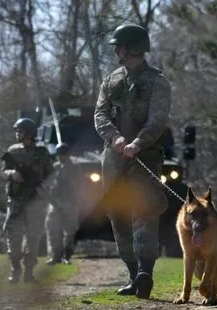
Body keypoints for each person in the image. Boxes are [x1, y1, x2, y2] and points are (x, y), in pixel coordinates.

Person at [94, 23, 171, 299]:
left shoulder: (157, 81)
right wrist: (115, 139)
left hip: (145, 157)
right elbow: (100, 115)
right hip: (113, 158)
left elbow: (158, 119)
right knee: (117, 212)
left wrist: (138, 143)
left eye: (119, 45)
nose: (115, 50)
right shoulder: (111, 80)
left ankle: (145, 273)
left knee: (144, 210)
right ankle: (132, 274)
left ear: (129, 48)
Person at [0, 118, 53, 284]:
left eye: (20, 131)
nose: (17, 134)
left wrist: (43, 186)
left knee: (33, 238)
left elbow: (50, 175)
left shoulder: (42, 153)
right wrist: (12, 175)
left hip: (35, 202)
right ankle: (15, 269)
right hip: (15, 201)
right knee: (13, 237)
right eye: (17, 131)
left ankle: (29, 272)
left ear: (29, 134)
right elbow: (2, 172)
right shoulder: (12, 151)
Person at [45, 143, 82, 265]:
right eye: (59, 155)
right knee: (52, 229)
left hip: (69, 203)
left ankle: (67, 256)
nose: (61, 157)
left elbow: (76, 186)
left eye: (63, 154)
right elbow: (49, 184)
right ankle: (55, 256)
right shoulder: (55, 167)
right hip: (55, 203)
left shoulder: (74, 168)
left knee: (70, 232)